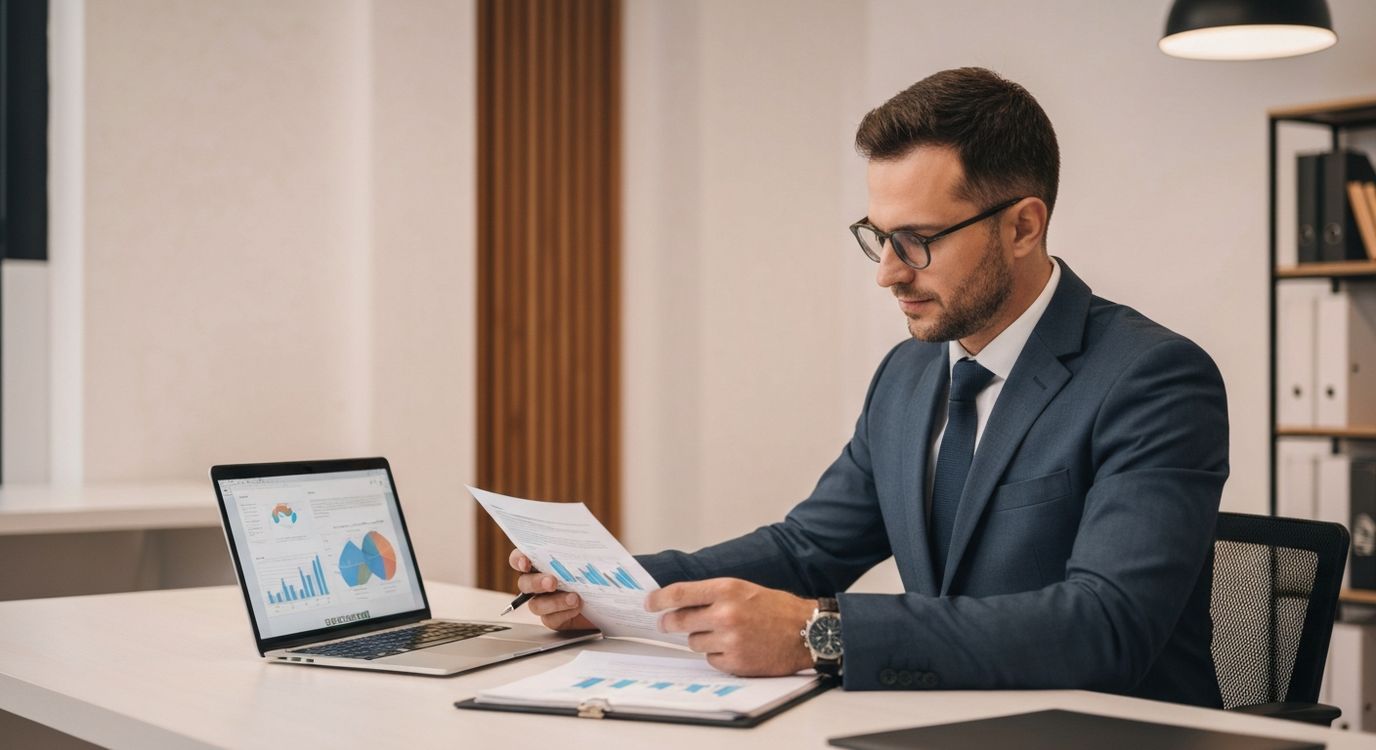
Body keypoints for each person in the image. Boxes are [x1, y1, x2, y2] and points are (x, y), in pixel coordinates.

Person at [510, 66, 1228, 708]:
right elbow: (806, 550)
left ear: (1022, 226)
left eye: (918, 239)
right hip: (941, 721)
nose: (887, 271)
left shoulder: (1153, 378)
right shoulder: (911, 372)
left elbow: (1106, 626)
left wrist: (818, 634)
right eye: (876, 236)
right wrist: (613, 587)